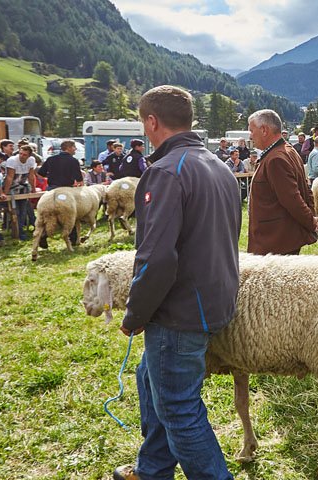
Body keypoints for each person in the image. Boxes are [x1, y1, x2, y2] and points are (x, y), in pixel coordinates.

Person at [112, 86, 241, 480]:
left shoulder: (166, 172)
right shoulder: (219, 167)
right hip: (214, 298)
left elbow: (157, 257)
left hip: (180, 310)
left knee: (179, 407)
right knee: (148, 377)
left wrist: (136, 313)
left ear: (152, 122)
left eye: (142, 122)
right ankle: (152, 470)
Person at [247, 109, 318, 256]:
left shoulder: (276, 159)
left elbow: (292, 199)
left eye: (251, 130)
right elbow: (305, 189)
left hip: (275, 244)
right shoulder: (288, 151)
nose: (250, 136)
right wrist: (311, 216)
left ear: (264, 130)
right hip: (280, 241)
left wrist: (311, 221)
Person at [37, 140, 84, 249]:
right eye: (74, 147)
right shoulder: (73, 161)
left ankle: (43, 235)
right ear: (68, 148)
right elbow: (80, 180)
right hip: (66, 190)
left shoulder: (50, 159)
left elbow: (40, 174)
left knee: (47, 215)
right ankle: (72, 239)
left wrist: (52, 178)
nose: (75, 149)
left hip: (51, 190)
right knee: (71, 214)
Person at [2, 144, 39, 241]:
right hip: (11, 186)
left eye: (24, 154)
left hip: (22, 185)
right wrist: (5, 193)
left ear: (29, 156)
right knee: (15, 211)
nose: (21, 156)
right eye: (20, 153)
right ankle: (15, 232)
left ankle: (21, 232)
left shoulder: (31, 160)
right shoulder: (12, 160)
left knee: (23, 211)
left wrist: (33, 189)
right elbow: (9, 177)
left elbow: (31, 176)